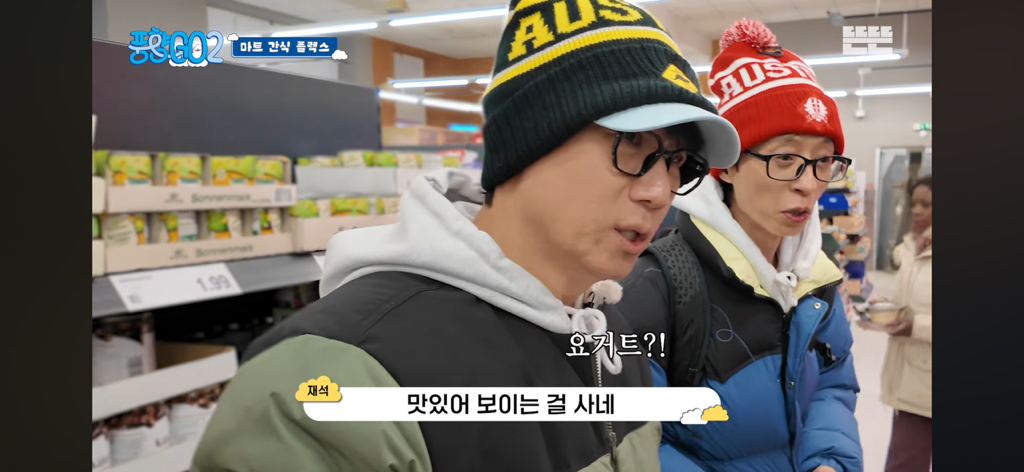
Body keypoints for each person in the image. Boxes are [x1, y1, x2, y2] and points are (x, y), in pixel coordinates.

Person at [190, 2, 741, 471]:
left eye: (678, 164)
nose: (660, 191)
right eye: (635, 146)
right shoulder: (332, 380)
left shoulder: (608, 334)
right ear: (531, 140)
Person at [617, 19, 863, 472]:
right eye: (785, 158)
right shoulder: (655, 286)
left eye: (823, 160)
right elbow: (631, 435)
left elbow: (833, 380)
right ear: (727, 167)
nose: (809, 184)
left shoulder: (817, 278)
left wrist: (829, 460)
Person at [859, 175, 932, 472]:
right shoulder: (914, 249)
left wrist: (914, 326)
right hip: (910, 375)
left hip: (926, 384)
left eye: (926, 204)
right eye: (914, 203)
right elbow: (914, 301)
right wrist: (888, 305)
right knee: (904, 459)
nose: (916, 210)